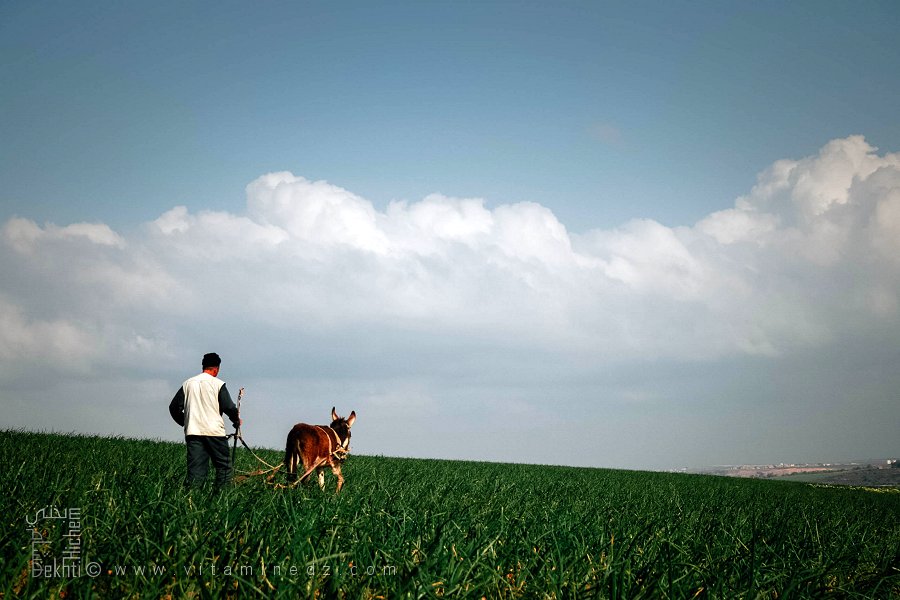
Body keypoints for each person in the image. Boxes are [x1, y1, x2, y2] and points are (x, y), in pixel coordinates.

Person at [169, 352, 241, 488]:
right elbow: (229, 407)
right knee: (223, 467)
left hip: (193, 433)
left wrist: (185, 422)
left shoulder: (188, 384)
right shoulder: (218, 384)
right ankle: (222, 497)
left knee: (196, 470)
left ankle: (193, 499)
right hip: (214, 433)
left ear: (203, 366)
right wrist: (236, 420)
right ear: (216, 369)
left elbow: (173, 407)